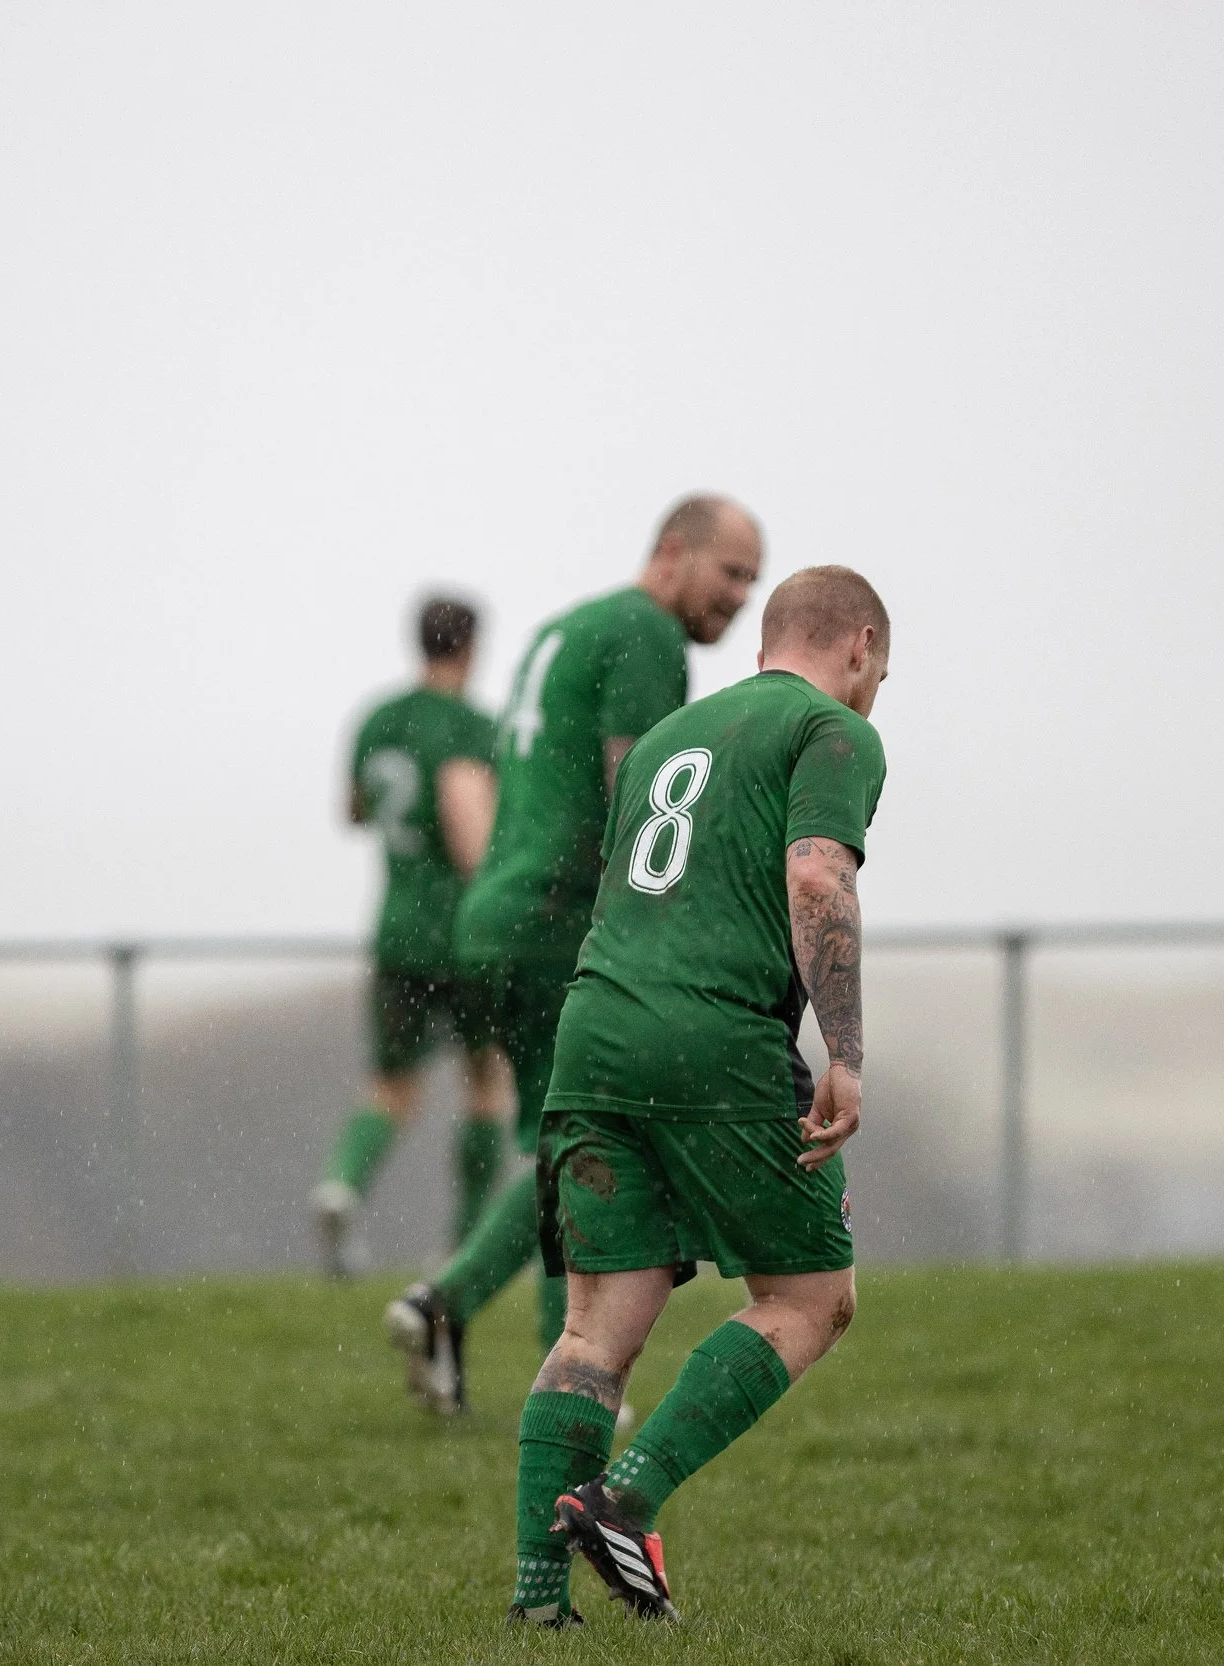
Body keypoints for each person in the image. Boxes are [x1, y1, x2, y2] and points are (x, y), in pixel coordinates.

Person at [503, 565, 888, 1627]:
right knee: (812, 1298)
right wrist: (843, 1049)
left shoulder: (672, 734)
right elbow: (817, 877)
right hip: (710, 1039)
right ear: (857, 646)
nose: (871, 695)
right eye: (878, 675)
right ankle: (623, 1499)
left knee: (592, 1332)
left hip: (594, 1034)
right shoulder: (831, 731)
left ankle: (538, 1608)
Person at [385, 496, 763, 1413]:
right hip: (558, 919)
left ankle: (534, 1349)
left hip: (496, 915)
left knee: (562, 1146)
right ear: (673, 553)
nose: (741, 598)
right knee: (589, 1147)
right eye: (731, 573)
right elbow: (640, 793)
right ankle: (489, 1322)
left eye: (753, 582)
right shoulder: (645, 634)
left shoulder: (567, 626)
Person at [311, 596, 511, 1277]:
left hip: (396, 932)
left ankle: (342, 1184)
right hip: (463, 935)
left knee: (391, 1085)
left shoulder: (378, 719)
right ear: (471, 647)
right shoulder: (467, 726)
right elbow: (466, 823)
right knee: (485, 1079)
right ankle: (462, 1240)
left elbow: (354, 809)